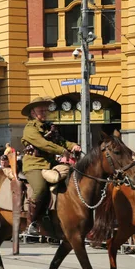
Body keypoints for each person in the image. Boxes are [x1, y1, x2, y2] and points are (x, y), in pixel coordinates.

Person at [21, 97, 81, 235]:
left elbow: (62, 141)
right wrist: (62, 151)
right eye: (40, 109)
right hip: (34, 165)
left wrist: (74, 146)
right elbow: (43, 144)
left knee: (73, 177)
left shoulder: (50, 127)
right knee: (40, 188)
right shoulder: (29, 129)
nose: (44, 111)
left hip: (50, 163)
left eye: (45, 109)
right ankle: (32, 222)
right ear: (32, 113)